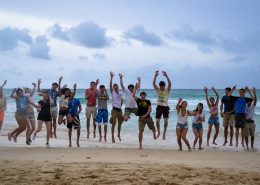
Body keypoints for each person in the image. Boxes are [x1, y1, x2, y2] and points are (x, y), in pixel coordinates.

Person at [133, 82, 156, 149]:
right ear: (140, 95)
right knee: (140, 131)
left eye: (144, 94)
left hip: (148, 118)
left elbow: (150, 110)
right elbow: (133, 95)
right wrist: (135, 87)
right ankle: (140, 144)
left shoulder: (148, 101)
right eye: (142, 94)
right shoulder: (138, 100)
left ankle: (154, 133)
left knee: (153, 128)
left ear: (145, 95)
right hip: (141, 119)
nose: (143, 95)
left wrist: (145, 115)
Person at [152, 71, 171, 140]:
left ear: (164, 86)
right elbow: (153, 84)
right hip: (159, 107)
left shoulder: (167, 90)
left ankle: (164, 133)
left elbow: (170, 83)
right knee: (157, 121)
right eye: (161, 86)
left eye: (162, 86)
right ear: (159, 86)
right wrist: (155, 76)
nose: (161, 88)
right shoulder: (158, 90)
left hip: (165, 107)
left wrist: (166, 76)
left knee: (166, 121)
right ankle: (159, 132)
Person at [109, 71, 124, 143]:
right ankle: (112, 136)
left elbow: (122, 101)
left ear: (118, 87)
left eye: (116, 86)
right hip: (114, 109)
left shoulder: (120, 94)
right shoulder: (113, 92)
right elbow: (110, 85)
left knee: (120, 123)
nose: (115, 87)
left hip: (119, 110)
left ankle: (118, 134)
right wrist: (111, 77)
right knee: (114, 124)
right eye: (114, 86)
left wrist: (121, 107)